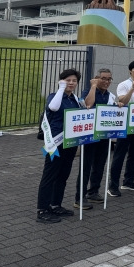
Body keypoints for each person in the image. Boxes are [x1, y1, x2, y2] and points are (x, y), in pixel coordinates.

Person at [36, 69, 82, 223]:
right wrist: (61, 88)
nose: (71, 83)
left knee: (63, 175)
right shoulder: (54, 96)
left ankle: (55, 205)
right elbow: (53, 108)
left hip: (70, 142)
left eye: (74, 80)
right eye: (67, 80)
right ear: (61, 81)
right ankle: (42, 210)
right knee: (50, 175)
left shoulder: (74, 99)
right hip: (55, 143)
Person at [74, 68, 117, 210]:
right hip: (89, 135)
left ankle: (93, 191)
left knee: (99, 165)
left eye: (109, 79)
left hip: (104, 136)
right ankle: (79, 197)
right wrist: (93, 86)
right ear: (96, 78)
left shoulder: (110, 95)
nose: (106, 82)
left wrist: (120, 106)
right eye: (103, 78)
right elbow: (88, 104)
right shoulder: (89, 91)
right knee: (85, 166)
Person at [109, 60, 134, 196]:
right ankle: (113, 185)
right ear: (130, 71)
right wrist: (132, 88)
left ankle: (128, 181)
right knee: (119, 155)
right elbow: (123, 101)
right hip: (124, 124)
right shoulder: (123, 85)